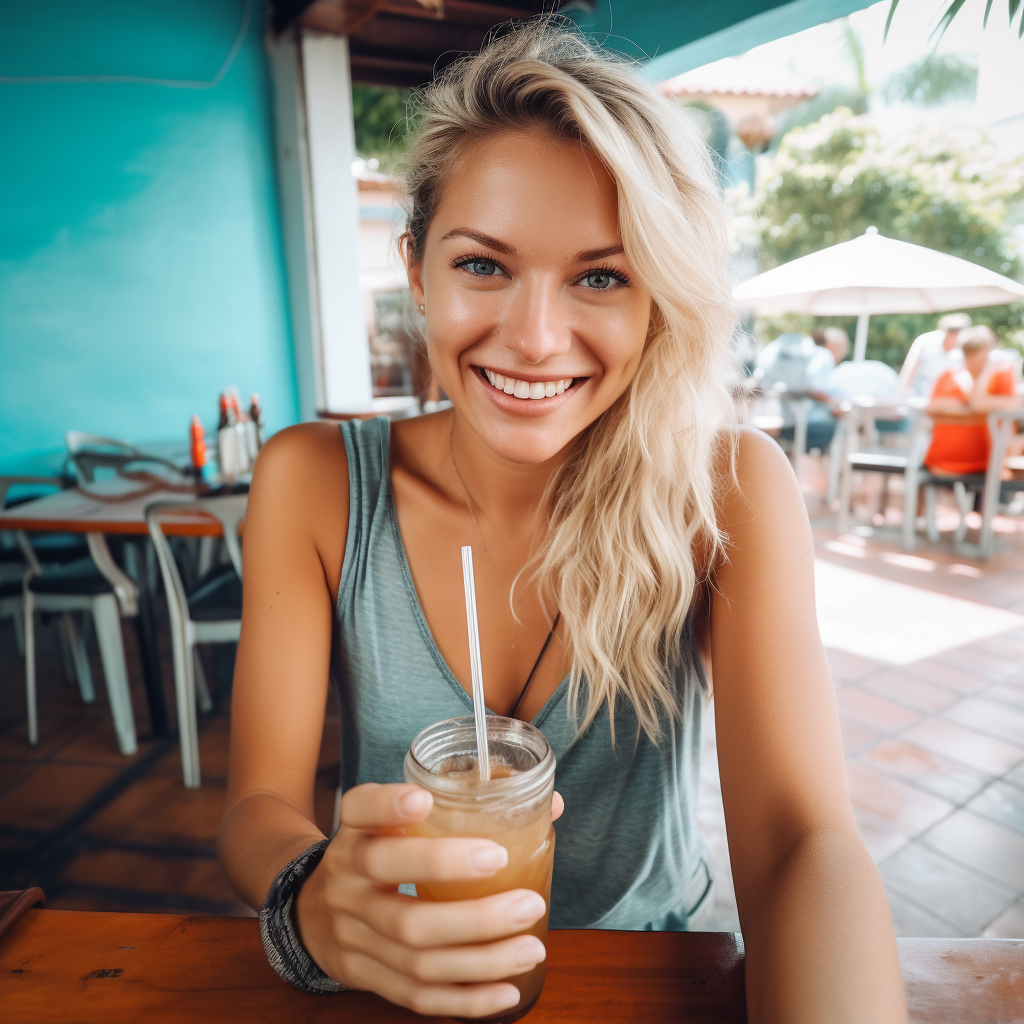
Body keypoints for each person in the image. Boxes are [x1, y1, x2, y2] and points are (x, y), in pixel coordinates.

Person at [218, 20, 907, 1024]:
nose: (535, 338)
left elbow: (806, 841)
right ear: (416, 271)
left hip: (645, 981)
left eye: (600, 276)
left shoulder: (724, 493)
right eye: (484, 266)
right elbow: (256, 808)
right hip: (401, 980)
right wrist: (310, 897)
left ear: (655, 300)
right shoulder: (315, 480)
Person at [924, 326, 1022, 476]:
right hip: (946, 463)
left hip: (989, 463)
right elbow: (930, 407)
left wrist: (966, 405)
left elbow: (981, 403)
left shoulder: (1002, 375)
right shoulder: (951, 375)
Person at [897, 312, 971, 401]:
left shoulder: (961, 351)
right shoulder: (926, 342)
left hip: (946, 402)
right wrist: (900, 399)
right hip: (921, 400)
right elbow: (908, 372)